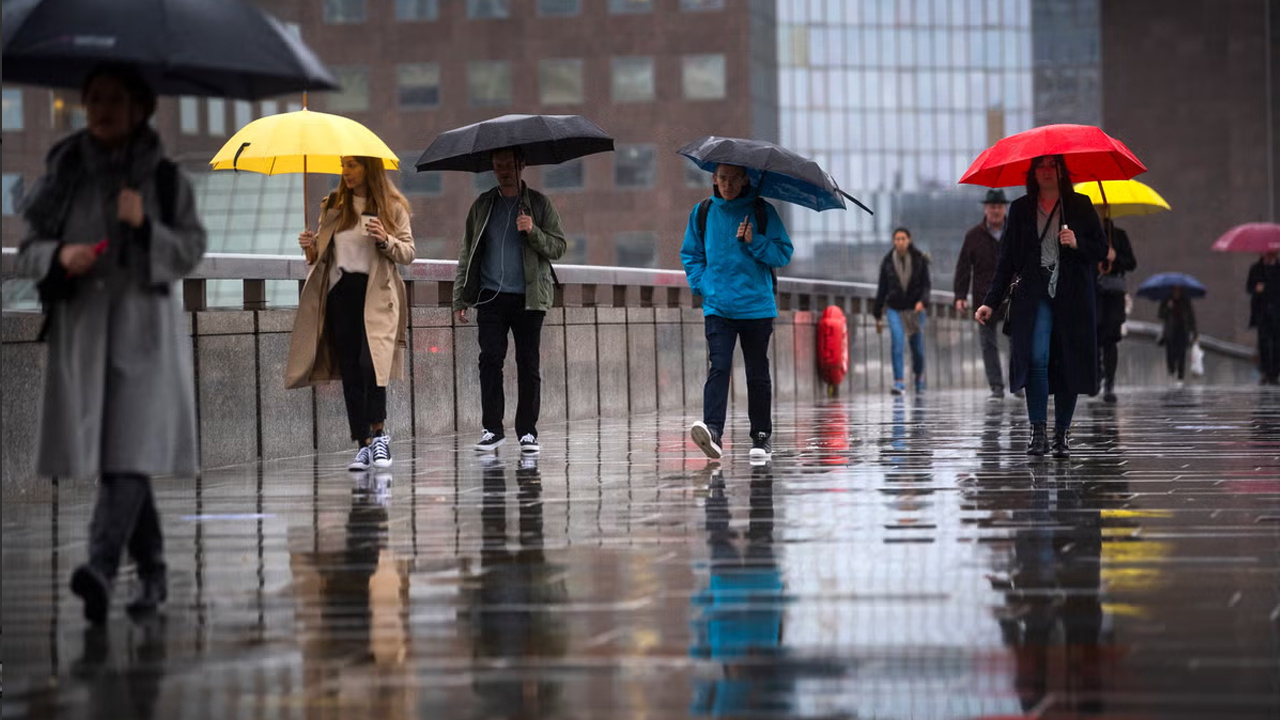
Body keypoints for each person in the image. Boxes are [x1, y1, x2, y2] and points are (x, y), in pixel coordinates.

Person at [15, 64, 207, 624]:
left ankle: (99, 567)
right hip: (85, 333)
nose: (101, 109)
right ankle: (152, 575)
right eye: (94, 98)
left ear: (139, 108)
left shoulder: (165, 178)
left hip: (145, 335)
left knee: (127, 451)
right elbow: (29, 248)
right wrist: (57, 256)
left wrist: (146, 224)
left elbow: (191, 248)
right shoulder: (65, 168)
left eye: (114, 100)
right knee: (120, 455)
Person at [286, 156, 415, 471]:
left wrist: (385, 239)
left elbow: (408, 253)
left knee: (371, 364)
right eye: (343, 165)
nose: (346, 171)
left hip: (375, 296)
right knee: (350, 371)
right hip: (340, 295)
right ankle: (364, 444)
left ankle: (379, 434)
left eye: (353, 164)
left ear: (369, 168)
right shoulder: (333, 205)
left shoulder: (392, 207)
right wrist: (309, 246)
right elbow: (321, 256)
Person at [975, 155, 1107, 459]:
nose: (1047, 172)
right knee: (1037, 357)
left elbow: (1099, 249)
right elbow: (1006, 260)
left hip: (1072, 297)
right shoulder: (1020, 209)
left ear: (1062, 171)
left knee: (1067, 361)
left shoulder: (1081, 205)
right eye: (1041, 167)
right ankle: (1038, 431)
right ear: (1033, 173)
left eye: (1053, 166)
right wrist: (989, 303)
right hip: (1034, 297)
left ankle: (1062, 434)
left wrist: (1076, 243)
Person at [454, 147, 567, 454]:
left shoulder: (539, 204)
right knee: (489, 360)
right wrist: (460, 296)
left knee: (528, 363)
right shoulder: (483, 205)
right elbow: (467, 251)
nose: (503, 170)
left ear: (521, 165)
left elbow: (558, 246)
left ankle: (527, 431)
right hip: (490, 296)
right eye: (498, 165)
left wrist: (533, 231)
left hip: (529, 298)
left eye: (508, 164)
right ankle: (492, 428)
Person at [681, 164, 794, 461]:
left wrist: (754, 241)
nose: (727, 185)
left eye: (733, 179)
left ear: (745, 180)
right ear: (714, 180)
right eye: (722, 179)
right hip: (718, 306)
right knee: (718, 366)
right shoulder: (702, 212)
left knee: (757, 373)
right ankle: (713, 430)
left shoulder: (761, 211)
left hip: (756, 306)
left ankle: (760, 436)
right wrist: (703, 284)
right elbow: (691, 254)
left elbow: (783, 253)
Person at [955, 189, 1009, 400]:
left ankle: (1019, 383)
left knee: (1017, 342)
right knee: (988, 344)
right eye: (992, 207)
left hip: (1011, 296)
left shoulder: (1014, 232)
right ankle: (996, 386)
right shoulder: (974, 236)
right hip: (983, 298)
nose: (995, 211)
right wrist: (960, 295)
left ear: (1005, 208)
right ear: (986, 209)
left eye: (999, 207)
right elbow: (963, 267)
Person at [873, 227, 931, 395]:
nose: (900, 242)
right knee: (897, 342)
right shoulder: (887, 262)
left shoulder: (920, 259)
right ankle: (898, 381)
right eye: (897, 239)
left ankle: (919, 377)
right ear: (893, 241)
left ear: (909, 239)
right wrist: (877, 312)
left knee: (917, 347)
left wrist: (923, 301)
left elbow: (926, 285)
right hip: (894, 308)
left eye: (903, 238)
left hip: (915, 309)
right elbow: (882, 288)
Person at [1094, 218, 1137, 402]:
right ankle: (1097, 376)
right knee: (1094, 336)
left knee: (1110, 338)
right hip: (1094, 292)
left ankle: (1109, 384)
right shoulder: (1088, 235)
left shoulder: (1119, 236)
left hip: (1114, 294)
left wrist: (1115, 257)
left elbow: (1131, 263)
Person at [1247, 250, 1280, 385]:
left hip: (1278, 313)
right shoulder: (1255, 269)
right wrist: (1256, 289)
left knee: (1277, 344)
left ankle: (1275, 373)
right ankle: (1265, 372)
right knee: (1264, 344)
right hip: (1262, 313)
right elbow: (1249, 288)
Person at [1158, 285, 1198, 387]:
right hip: (1170, 332)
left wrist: (1194, 332)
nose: (1176, 292)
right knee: (1170, 355)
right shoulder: (1167, 300)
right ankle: (1171, 373)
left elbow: (1191, 317)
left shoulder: (1185, 301)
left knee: (1181, 355)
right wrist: (1168, 307)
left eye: (1178, 290)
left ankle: (1180, 378)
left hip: (1182, 332)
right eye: (1175, 290)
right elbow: (1160, 315)